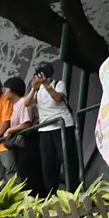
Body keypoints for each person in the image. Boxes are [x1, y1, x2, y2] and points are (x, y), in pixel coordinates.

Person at [30, 62, 77, 193]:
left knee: (67, 159)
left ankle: (73, 189)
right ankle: (51, 192)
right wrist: (34, 88)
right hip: (45, 128)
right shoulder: (37, 90)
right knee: (48, 163)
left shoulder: (59, 84)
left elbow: (57, 98)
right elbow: (27, 103)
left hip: (63, 125)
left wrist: (46, 84)